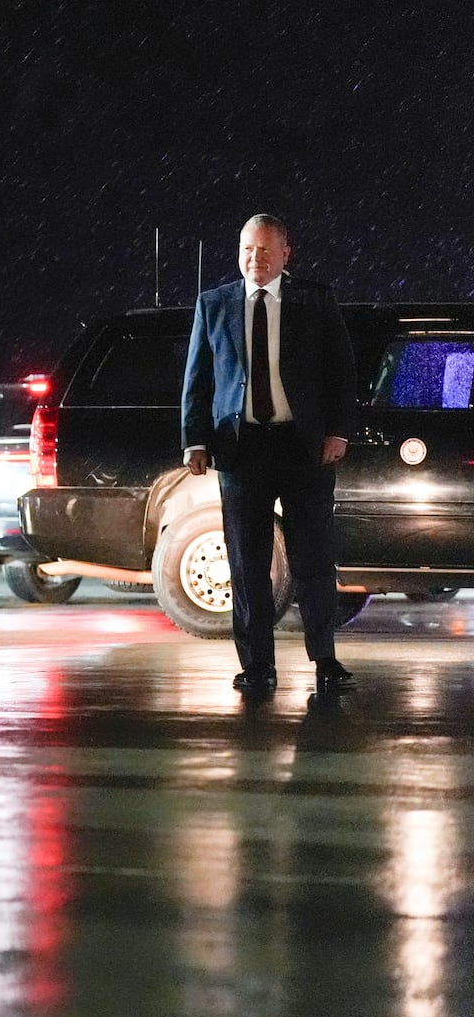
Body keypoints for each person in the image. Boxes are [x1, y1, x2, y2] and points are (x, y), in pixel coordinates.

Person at [182, 214, 357, 695]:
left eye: (263, 251)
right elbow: (197, 381)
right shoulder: (213, 304)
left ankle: (325, 660)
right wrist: (194, 440)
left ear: (285, 253)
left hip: (303, 447)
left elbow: (341, 371)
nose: (253, 260)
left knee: (313, 559)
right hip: (242, 449)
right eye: (245, 250)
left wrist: (338, 431)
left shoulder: (314, 300)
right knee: (246, 561)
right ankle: (257, 664)